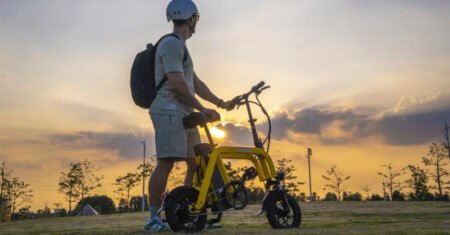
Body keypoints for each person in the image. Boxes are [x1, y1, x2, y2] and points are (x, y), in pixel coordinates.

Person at [144, 0, 233, 232]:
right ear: (191, 18)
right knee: (166, 163)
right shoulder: (172, 45)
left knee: (195, 163)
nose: (196, 24)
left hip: (184, 111)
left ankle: (191, 211)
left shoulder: (181, 47)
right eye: (197, 19)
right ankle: (153, 219)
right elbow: (177, 84)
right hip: (169, 110)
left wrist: (220, 103)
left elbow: (195, 82)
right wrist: (202, 110)